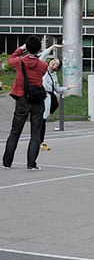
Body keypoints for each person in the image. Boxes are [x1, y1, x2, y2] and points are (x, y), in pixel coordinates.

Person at [2, 37, 48, 171]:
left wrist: (21, 48)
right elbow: (42, 73)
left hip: (22, 99)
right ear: (39, 49)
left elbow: (10, 59)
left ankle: (7, 162)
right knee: (36, 132)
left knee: (15, 131)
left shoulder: (19, 61)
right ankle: (31, 164)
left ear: (27, 48)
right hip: (37, 101)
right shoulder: (43, 65)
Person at [40, 56, 73, 151]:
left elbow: (57, 89)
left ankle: (41, 142)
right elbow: (41, 57)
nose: (54, 63)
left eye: (56, 64)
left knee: (43, 120)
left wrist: (67, 88)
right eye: (53, 61)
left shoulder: (54, 76)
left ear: (57, 68)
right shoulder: (42, 68)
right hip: (39, 96)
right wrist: (51, 47)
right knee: (37, 119)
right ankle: (35, 141)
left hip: (47, 98)